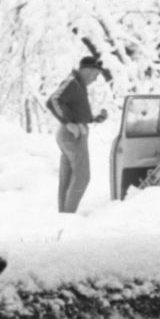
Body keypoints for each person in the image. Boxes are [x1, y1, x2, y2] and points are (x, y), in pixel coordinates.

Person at [48, 53, 109, 214]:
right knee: (82, 177)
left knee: (67, 178)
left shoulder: (78, 85)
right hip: (72, 136)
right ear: (87, 70)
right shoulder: (73, 83)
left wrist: (94, 118)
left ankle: (63, 216)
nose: (95, 79)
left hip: (71, 135)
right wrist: (68, 123)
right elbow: (53, 100)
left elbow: (75, 110)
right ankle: (69, 216)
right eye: (95, 74)